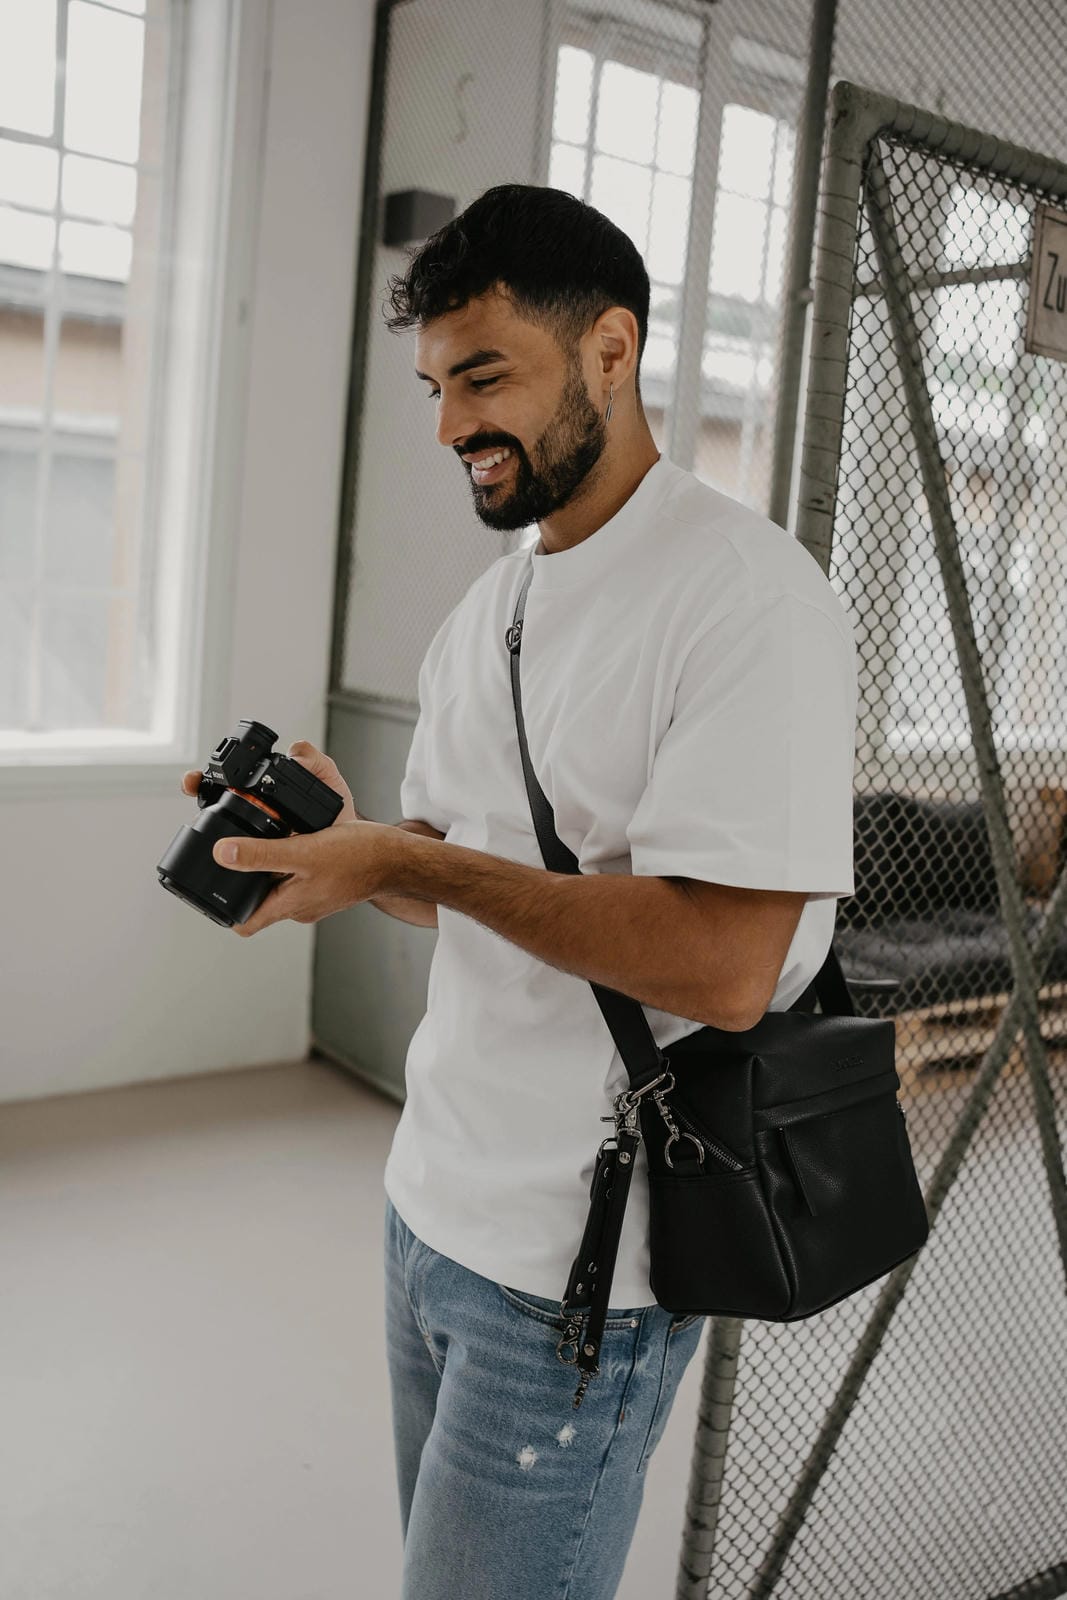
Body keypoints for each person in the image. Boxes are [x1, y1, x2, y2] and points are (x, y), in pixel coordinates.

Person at [182, 184, 857, 1598]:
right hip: (428, 1210)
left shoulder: (749, 598)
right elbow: (470, 876)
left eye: (484, 377)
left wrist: (411, 861)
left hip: (577, 1279)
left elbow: (731, 961)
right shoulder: (490, 609)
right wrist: (353, 860)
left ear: (610, 351)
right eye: (435, 385)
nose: (447, 428)